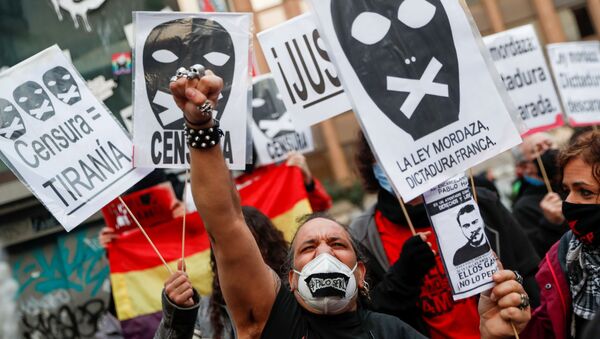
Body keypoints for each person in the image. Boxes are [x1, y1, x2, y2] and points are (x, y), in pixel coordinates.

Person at [168, 69, 531, 338]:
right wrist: (201, 128)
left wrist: (492, 336)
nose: (324, 251)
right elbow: (228, 224)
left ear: (361, 273)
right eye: (308, 247)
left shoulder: (394, 333)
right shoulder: (271, 320)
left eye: (337, 243)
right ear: (290, 280)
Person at [350, 133, 540, 337]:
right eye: (387, 155)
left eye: (409, 151)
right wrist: (401, 279)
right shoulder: (363, 235)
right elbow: (366, 317)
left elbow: (530, 274)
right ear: (371, 164)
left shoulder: (481, 204)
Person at [154, 206, 289, 339]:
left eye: (245, 250)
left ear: (268, 250)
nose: (234, 258)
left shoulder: (295, 296)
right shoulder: (203, 314)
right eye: (225, 251)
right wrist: (179, 318)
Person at [520, 130, 600, 339]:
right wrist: (518, 328)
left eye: (585, 192)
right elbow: (548, 326)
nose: (569, 202)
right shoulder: (564, 254)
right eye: (566, 190)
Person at [512, 133, 568, 258]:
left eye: (549, 144)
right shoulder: (523, 208)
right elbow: (537, 254)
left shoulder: (572, 185)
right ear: (525, 167)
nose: (547, 150)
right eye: (538, 149)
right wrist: (551, 223)